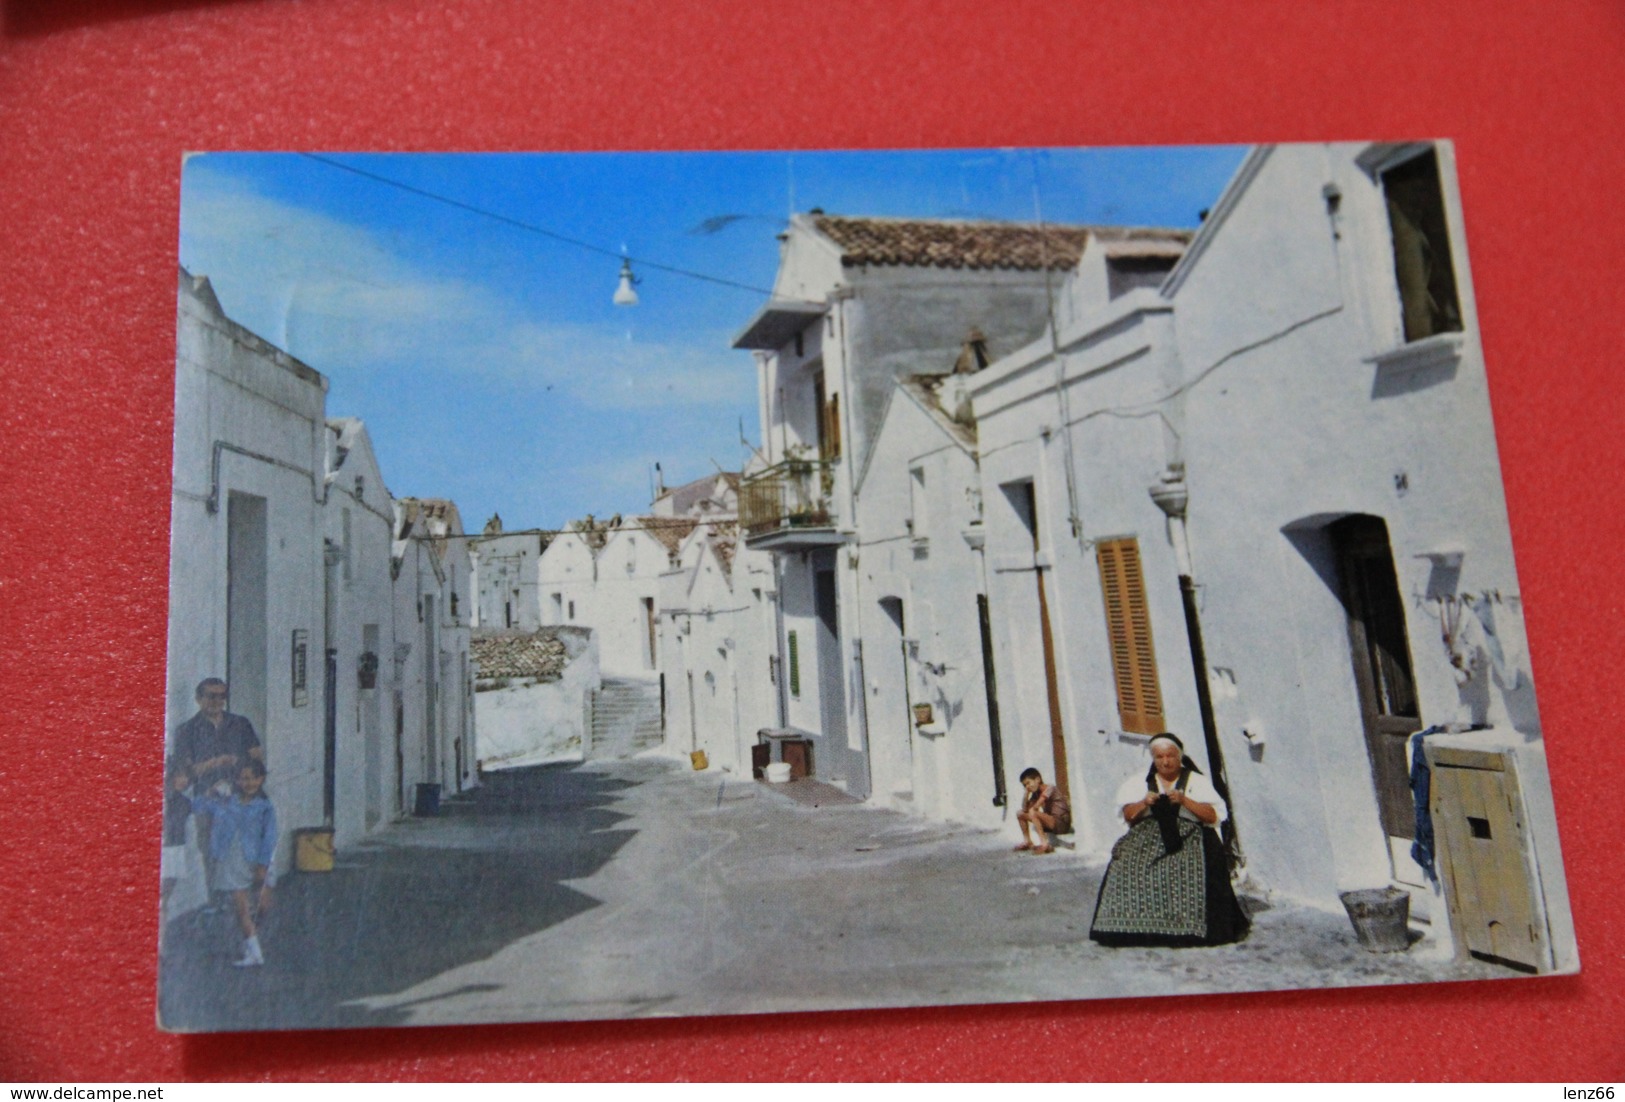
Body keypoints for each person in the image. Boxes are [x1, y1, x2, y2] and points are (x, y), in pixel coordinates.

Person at [1088, 733, 1249, 947]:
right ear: (1153, 759)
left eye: (1170, 756)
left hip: (1192, 836)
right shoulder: (1138, 783)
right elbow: (1128, 816)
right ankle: (1132, 927)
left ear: (1179, 756)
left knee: (1189, 866)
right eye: (1159, 757)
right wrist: (1144, 803)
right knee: (1126, 863)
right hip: (1148, 836)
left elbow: (1212, 816)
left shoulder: (1196, 782)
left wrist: (1185, 800)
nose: (1165, 761)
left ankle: (1189, 928)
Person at [193, 760, 278, 967]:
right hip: (231, 859)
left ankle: (250, 936)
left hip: (257, 858)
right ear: (236, 780)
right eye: (242, 778)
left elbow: (270, 838)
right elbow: (197, 806)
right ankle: (254, 952)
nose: (247, 783)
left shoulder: (265, 807)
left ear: (261, 779)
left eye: (252, 778)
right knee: (242, 908)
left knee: (262, 906)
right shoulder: (226, 802)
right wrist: (211, 790)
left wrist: (263, 865)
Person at [1014, 766, 1071, 854]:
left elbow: (1036, 806)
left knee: (1033, 812)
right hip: (1051, 822)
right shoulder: (1036, 793)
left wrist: (1032, 806)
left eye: (1028, 783)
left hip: (1061, 822)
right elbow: (1025, 809)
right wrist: (1026, 794)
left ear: (1038, 779)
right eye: (1025, 785)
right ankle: (1027, 841)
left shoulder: (1050, 788)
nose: (1027, 787)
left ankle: (1045, 844)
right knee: (1020, 813)